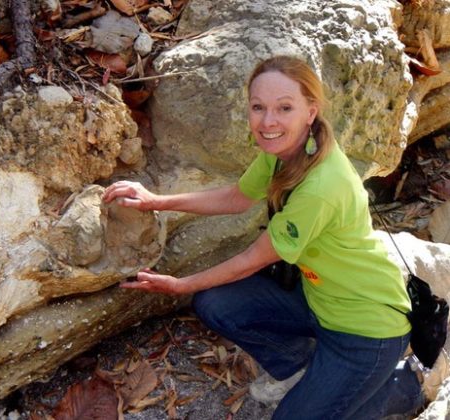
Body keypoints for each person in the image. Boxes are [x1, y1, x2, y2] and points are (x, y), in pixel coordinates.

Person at [102, 56, 428, 419]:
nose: (268, 121)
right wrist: (155, 201)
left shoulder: (320, 187)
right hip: (318, 300)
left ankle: (403, 387)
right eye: (258, 107)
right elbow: (236, 198)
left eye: (284, 108)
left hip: (366, 331)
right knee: (216, 305)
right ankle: (306, 369)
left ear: (310, 112)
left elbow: (250, 261)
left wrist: (179, 285)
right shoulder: (287, 152)